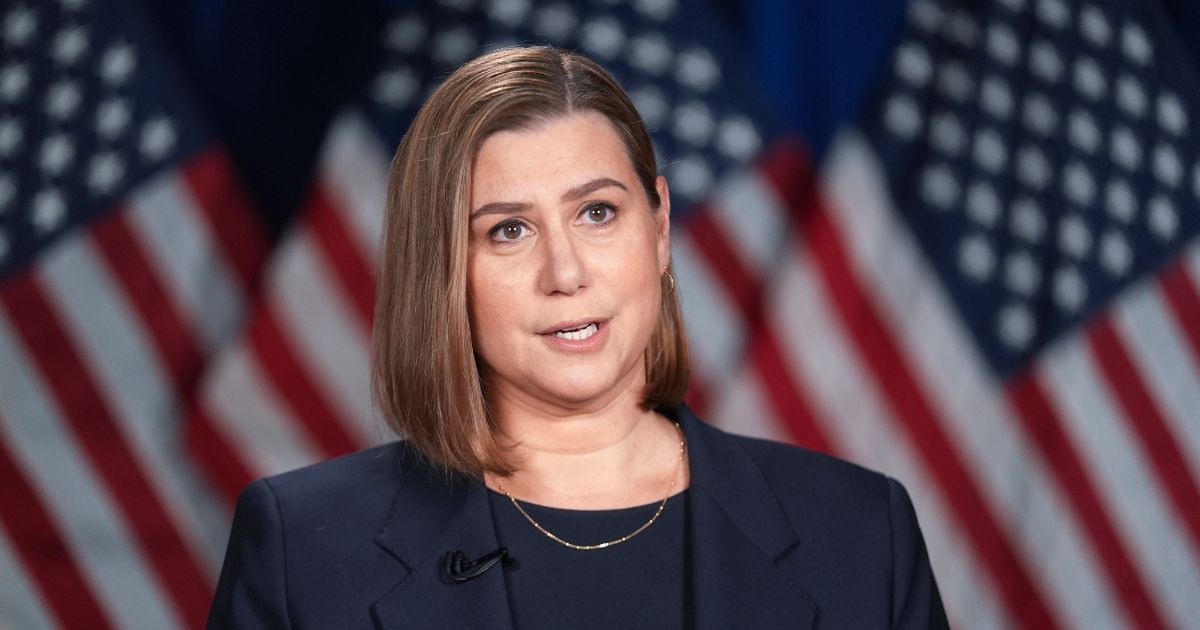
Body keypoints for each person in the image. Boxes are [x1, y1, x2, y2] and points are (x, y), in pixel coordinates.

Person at [208, 45, 949, 629]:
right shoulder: (302, 551)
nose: (565, 272)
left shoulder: (859, 534)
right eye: (508, 230)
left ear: (658, 226)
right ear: (440, 273)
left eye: (597, 213)